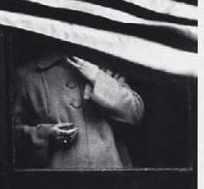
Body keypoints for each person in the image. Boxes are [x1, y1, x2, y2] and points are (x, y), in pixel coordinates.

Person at [13, 51, 144, 168]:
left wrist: (97, 77)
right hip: (56, 184)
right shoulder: (27, 75)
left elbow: (135, 112)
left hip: (109, 179)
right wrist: (45, 135)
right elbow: (9, 137)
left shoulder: (106, 68)